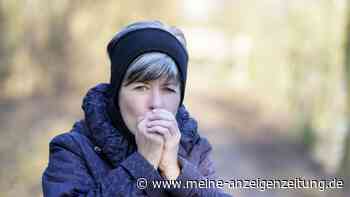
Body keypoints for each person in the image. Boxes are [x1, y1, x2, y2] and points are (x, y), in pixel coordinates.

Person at [42, 20, 232, 197]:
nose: (156, 103)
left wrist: (175, 172)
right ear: (117, 93)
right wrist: (143, 163)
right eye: (141, 87)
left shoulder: (194, 149)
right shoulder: (73, 150)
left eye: (168, 89)